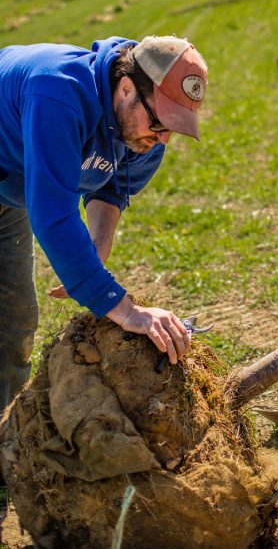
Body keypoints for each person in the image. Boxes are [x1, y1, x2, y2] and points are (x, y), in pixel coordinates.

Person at [0, 34, 208, 414]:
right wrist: (125, 310)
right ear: (126, 88)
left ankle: (5, 441)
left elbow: (112, 189)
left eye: (173, 128)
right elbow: (53, 214)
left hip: (9, 194)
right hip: (17, 183)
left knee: (14, 322)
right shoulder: (57, 92)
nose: (163, 139)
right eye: (160, 122)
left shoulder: (144, 133)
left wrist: (96, 247)